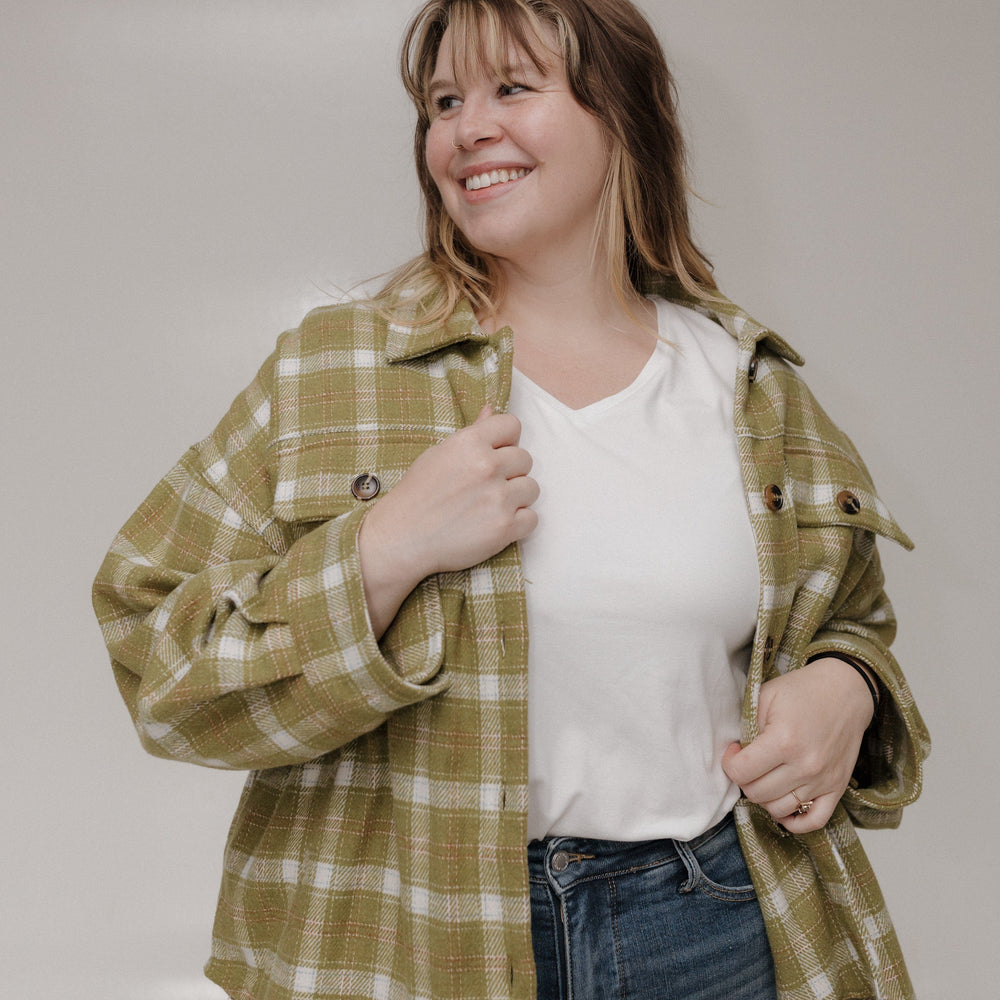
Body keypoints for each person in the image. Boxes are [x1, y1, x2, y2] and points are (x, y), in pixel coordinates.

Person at [92, 1, 930, 998]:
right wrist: (379, 550)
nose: (465, 127)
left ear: (620, 115)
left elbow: (852, 623)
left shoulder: (751, 385)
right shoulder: (336, 368)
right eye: (443, 101)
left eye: (511, 88)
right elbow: (156, 658)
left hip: (709, 922)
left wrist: (849, 685)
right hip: (411, 937)